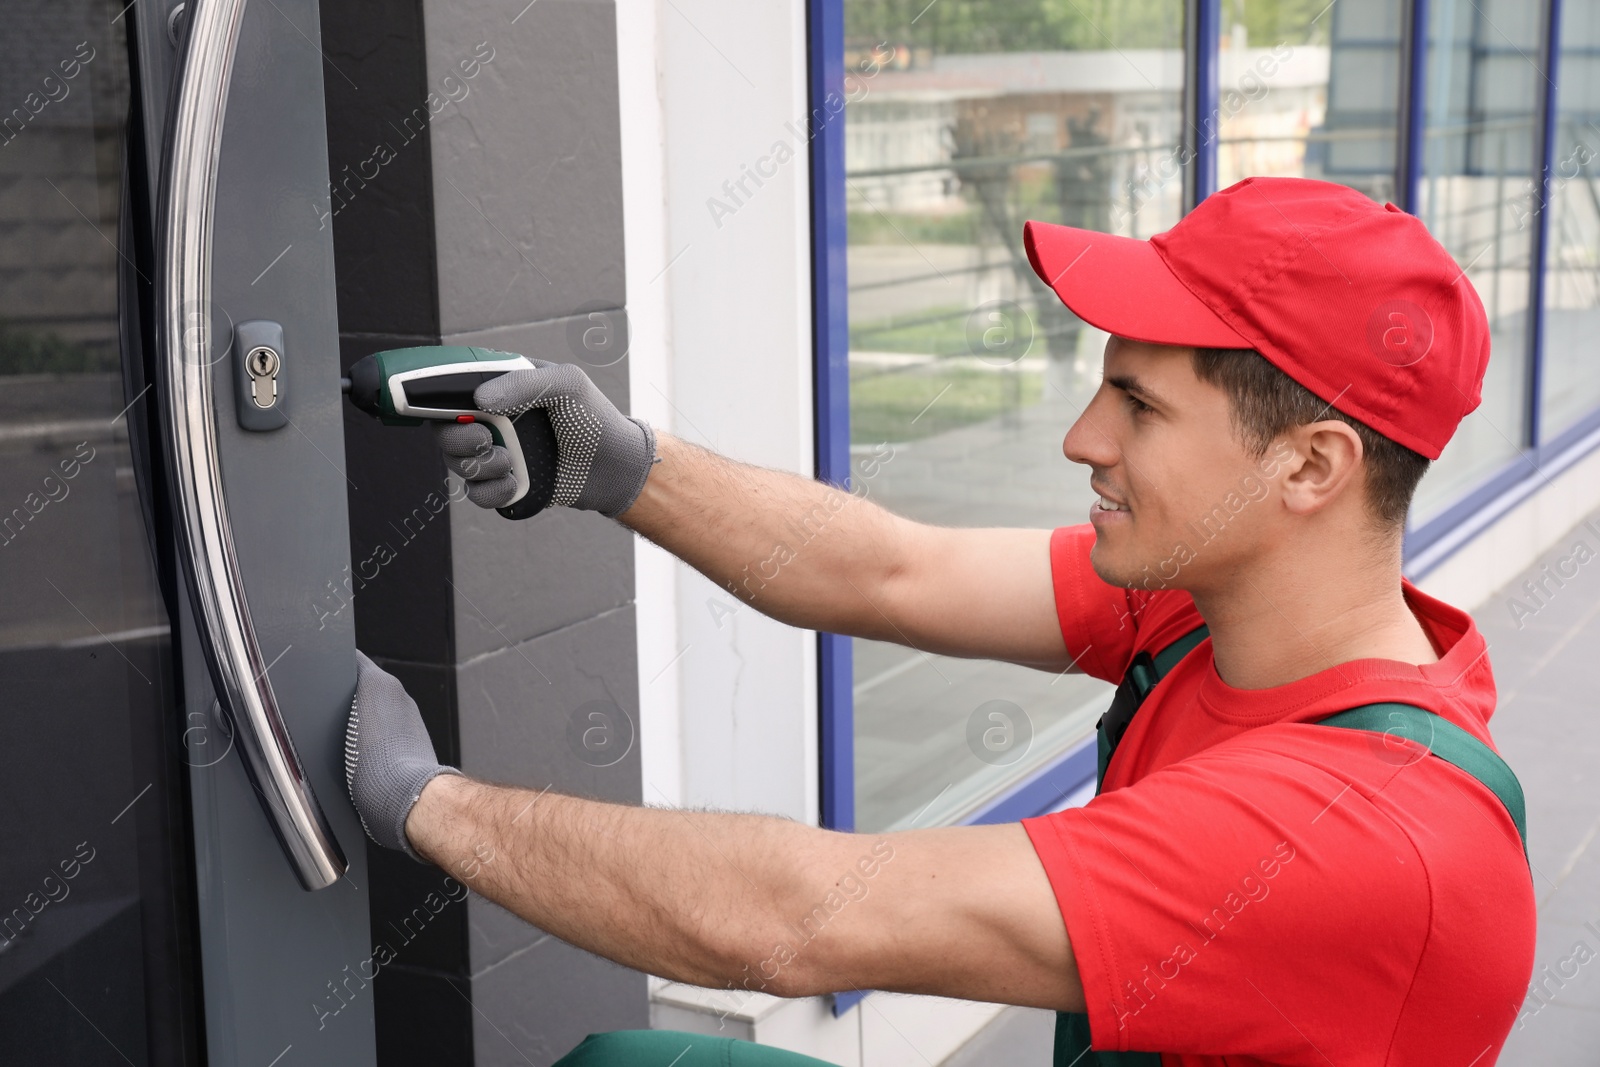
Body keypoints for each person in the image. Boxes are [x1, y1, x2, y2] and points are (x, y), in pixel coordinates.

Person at [343, 176, 1535, 1066]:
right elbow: (893, 572)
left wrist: (420, 801)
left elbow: (797, 920)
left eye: (1136, 403)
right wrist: (618, 465)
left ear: (1308, 466)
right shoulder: (1211, 603)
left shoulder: (1359, 837)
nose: (1083, 438)